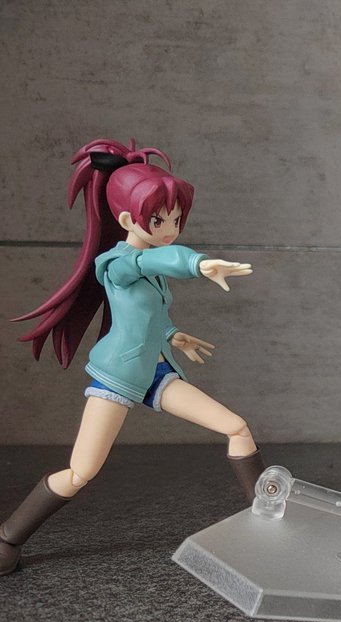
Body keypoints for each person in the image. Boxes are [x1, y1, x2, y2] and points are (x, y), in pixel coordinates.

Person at [1, 138, 261, 576]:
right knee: (81, 471)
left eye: (176, 219)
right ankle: (9, 537)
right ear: (126, 219)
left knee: (236, 427)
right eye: (160, 220)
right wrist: (196, 263)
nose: (171, 228)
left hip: (156, 373)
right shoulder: (116, 264)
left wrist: (174, 336)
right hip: (118, 378)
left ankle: (266, 520)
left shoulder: (151, 266)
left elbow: (148, 316)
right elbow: (146, 265)